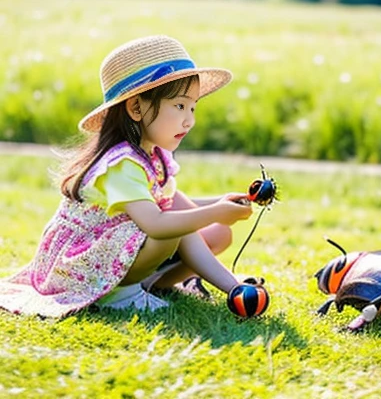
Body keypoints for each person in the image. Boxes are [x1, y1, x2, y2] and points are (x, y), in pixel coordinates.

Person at [0, 35, 269, 318]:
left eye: (193, 108)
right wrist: (215, 211)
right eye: (179, 106)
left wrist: (221, 204)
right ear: (136, 108)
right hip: (83, 263)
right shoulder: (121, 165)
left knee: (218, 233)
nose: (190, 120)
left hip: (120, 249)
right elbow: (156, 223)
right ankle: (120, 295)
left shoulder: (154, 156)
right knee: (169, 231)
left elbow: (173, 201)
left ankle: (216, 288)